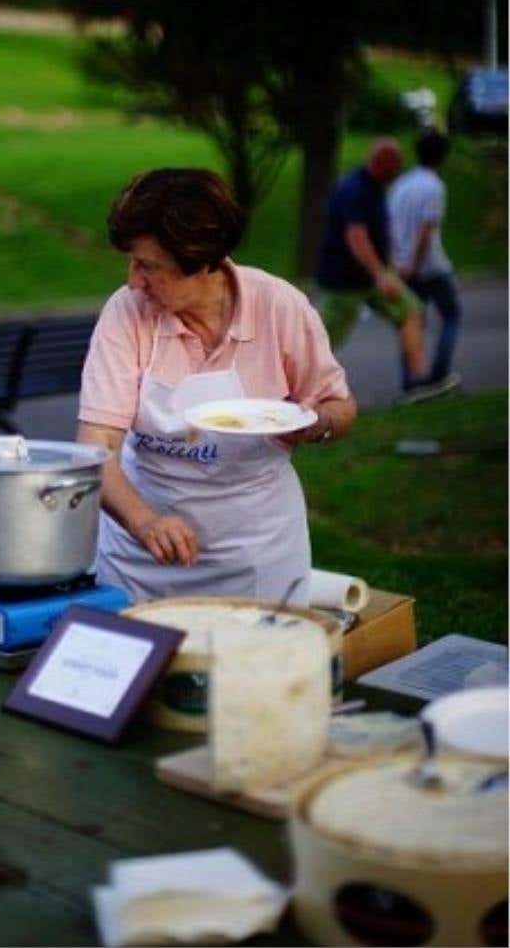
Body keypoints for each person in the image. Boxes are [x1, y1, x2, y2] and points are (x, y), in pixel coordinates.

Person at [77, 167, 356, 605]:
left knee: (257, 668)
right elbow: (97, 446)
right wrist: (144, 523)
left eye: (149, 267)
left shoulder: (278, 306)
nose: (134, 280)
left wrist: (314, 423)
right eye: (133, 262)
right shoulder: (127, 313)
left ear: (200, 261)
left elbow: (340, 408)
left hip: (255, 554)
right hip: (141, 560)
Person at [316, 137, 439, 401]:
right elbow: (356, 237)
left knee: (411, 310)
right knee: (322, 342)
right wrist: (381, 274)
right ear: (381, 163)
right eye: (395, 167)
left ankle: (420, 382)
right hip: (343, 283)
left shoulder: (375, 187)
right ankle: (297, 390)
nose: (398, 172)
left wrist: (388, 267)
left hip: (371, 279)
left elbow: (376, 232)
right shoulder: (355, 189)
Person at [387, 129, 461, 400]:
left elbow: (391, 226)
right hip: (430, 266)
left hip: (402, 265)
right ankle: (438, 376)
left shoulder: (401, 184)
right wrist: (414, 263)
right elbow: (425, 231)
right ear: (442, 156)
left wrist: (399, 263)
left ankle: (411, 381)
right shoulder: (434, 186)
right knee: (451, 315)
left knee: (411, 322)